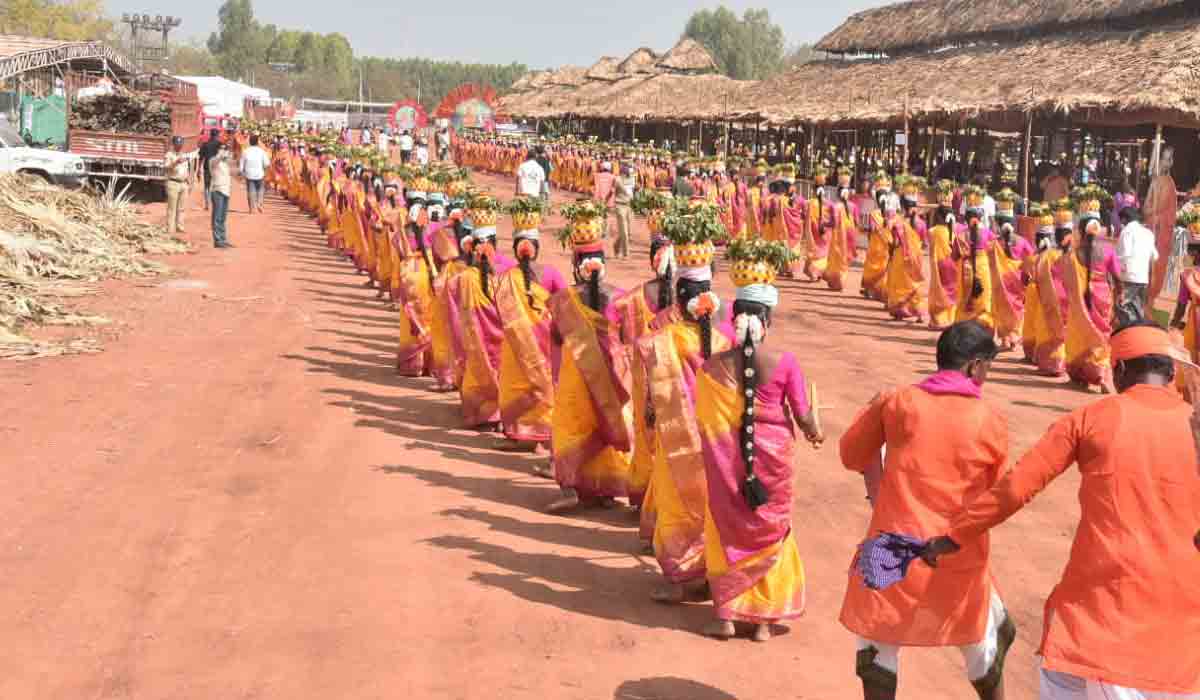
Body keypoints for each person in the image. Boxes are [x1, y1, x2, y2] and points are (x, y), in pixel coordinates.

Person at [923, 320, 1200, 700]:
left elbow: (1017, 487)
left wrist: (953, 536)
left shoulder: (1091, 419)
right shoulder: (1193, 423)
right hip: (1184, 640)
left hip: (1099, 623)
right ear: (1170, 372)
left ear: (1119, 370)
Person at [839, 321, 1013, 700]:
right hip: (957, 554)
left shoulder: (898, 402)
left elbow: (851, 455)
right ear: (973, 367)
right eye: (987, 368)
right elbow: (996, 496)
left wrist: (874, 413)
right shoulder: (992, 420)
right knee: (982, 647)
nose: (986, 377)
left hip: (891, 552)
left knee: (876, 645)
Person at [698, 241, 822, 642]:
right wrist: (815, 431)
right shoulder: (785, 362)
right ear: (766, 320)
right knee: (770, 530)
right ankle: (764, 620)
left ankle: (725, 616)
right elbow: (804, 416)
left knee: (726, 527)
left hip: (726, 459)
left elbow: (703, 419)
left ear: (734, 319)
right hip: (774, 457)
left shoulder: (714, 365)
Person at [638, 215, 733, 603]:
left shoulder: (665, 336)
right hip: (716, 436)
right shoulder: (726, 339)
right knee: (712, 504)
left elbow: (653, 390)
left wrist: (648, 412)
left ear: (679, 296)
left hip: (676, 433)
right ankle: (714, 572)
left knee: (677, 503)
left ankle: (682, 576)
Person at [545, 229, 631, 513]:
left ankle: (570, 487)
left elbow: (557, 336)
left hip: (576, 374)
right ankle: (606, 489)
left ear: (576, 264)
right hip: (612, 375)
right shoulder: (620, 297)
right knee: (606, 423)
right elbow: (628, 336)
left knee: (570, 428)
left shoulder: (565, 298)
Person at [496, 226, 566, 456]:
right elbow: (566, 304)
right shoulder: (551, 273)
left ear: (516, 251)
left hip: (517, 345)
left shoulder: (507, 277)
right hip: (545, 342)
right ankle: (540, 440)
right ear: (538, 249)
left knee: (518, 386)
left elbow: (501, 312)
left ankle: (522, 436)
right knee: (543, 387)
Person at [1061, 196, 1122, 392]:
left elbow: (1065, 281)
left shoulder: (1073, 253)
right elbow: (1118, 278)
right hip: (1103, 297)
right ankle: (1102, 375)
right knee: (1101, 335)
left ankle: (1079, 374)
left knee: (1079, 334)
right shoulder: (1109, 250)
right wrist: (1119, 298)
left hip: (1081, 299)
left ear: (1080, 228)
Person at [988, 190, 1036, 351]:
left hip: (999, 283)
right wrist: (1027, 275)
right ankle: (1014, 337)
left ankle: (1005, 340)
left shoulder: (993, 243)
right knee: (1017, 309)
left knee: (1001, 310)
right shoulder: (1022, 241)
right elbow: (1031, 260)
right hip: (1018, 282)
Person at [1115, 207, 1158, 326]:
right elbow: (1155, 256)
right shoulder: (1148, 232)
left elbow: (1124, 254)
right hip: (1143, 277)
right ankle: (1139, 331)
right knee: (1137, 307)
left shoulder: (1127, 231)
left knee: (1122, 304)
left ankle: (1129, 331)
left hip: (1130, 276)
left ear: (1124, 219)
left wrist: (1115, 269)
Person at [927, 180, 961, 330]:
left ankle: (939, 320)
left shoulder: (932, 231)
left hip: (939, 264)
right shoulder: (958, 230)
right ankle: (950, 318)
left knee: (939, 290)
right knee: (953, 290)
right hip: (953, 264)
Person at [208, 140, 234, 249]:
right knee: (217, 217)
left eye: (224, 149)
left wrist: (227, 152)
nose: (224, 151)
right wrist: (221, 153)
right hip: (217, 191)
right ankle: (217, 240)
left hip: (225, 191)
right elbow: (217, 160)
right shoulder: (213, 160)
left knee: (223, 217)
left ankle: (223, 239)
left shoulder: (225, 163)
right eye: (221, 148)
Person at [164, 136, 190, 235]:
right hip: (173, 182)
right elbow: (166, 167)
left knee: (182, 208)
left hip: (183, 183)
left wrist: (187, 180)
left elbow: (186, 169)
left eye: (180, 144)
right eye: (177, 144)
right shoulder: (169, 155)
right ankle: (170, 229)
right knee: (172, 208)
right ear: (173, 145)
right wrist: (175, 162)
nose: (179, 146)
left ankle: (180, 226)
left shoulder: (184, 155)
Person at [239, 134, 270, 214]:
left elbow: (241, 165)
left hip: (249, 174)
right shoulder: (262, 151)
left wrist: (242, 174)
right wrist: (265, 172)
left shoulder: (245, 151)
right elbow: (267, 163)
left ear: (249, 142)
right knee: (260, 190)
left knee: (250, 191)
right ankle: (259, 204)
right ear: (257, 142)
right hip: (260, 174)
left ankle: (252, 208)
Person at [613, 165, 636, 259]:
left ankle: (616, 246)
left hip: (629, 206)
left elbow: (633, 190)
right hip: (620, 206)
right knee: (624, 232)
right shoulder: (617, 180)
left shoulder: (631, 179)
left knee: (627, 232)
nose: (628, 174)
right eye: (626, 172)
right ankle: (626, 253)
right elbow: (612, 191)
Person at [197, 128, 221, 211]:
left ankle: (207, 204)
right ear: (217, 135)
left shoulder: (205, 145)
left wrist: (198, 169)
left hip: (207, 168)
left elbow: (201, 158)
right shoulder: (220, 145)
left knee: (207, 186)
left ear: (210, 135)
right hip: (217, 169)